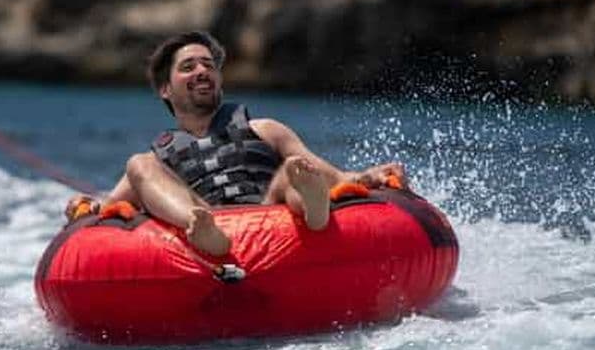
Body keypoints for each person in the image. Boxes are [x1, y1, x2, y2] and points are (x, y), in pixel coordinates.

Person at [65, 31, 407, 256]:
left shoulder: (265, 128)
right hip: (209, 220)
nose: (202, 70)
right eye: (188, 66)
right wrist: (85, 206)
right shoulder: (158, 158)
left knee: (294, 168)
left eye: (208, 65)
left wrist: (366, 176)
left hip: (272, 211)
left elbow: (332, 173)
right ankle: (203, 231)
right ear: (165, 90)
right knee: (138, 164)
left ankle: (315, 211)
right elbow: (110, 207)